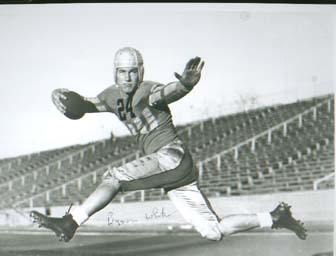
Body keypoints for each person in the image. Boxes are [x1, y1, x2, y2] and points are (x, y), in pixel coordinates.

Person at [30, 47, 307, 242]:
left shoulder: (148, 90)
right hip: (177, 175)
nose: (127, 78)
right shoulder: (110, 95)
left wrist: (186, 85)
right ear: (115, 73)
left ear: (141, 71)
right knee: (213, 232)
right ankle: (273, 217)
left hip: (170, 156)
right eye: (122, 72)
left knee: (113, 177)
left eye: (132, 72)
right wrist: (71, 101)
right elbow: (87, 105)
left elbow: (168, 92)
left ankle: (71, 221)